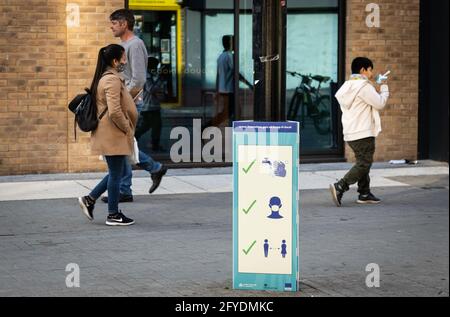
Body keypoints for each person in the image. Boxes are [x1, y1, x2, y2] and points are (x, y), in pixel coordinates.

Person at [104, 8, 167, 204]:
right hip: (124, 101)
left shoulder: (135, 45)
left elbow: (138, 79)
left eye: (114, 23)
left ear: (124, 23)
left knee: (121, 145)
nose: (111, 27)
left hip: (131, 103)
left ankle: (151, 171)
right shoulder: (124, 45)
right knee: (122, 146)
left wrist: (124, 100)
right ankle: (127, 187)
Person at [78, 44, 137, 226]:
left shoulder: (105, 78)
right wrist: (127, 128)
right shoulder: (111, 80)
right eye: (124, 58)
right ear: (115, 61)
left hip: (110, 133)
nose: (125, 62)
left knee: (115, 173)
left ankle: (90, 199)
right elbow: (114, 111)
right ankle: (113, 214)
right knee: (116, 174)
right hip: (113, 133)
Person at [330, 57, 389, 207]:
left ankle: (364, 193)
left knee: (362, 162)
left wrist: (374, 84)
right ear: (363, 69)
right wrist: (383, 86)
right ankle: (341, 186)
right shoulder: (364, 87)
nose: (372, 73)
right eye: (370, 70)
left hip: (351, 132)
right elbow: (380, 103)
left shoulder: (347, 86)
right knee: (364, 163)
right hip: (363, 132)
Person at [212, 35, 252, 127]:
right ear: (230, 43)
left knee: (231, 112)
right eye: (234, 42)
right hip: (229, 90)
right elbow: (236, 73)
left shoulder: (221, 56)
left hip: (224, 89)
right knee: (232, 112)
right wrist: (249, 84)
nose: (236, 44)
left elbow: (218, 75)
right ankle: (206, 127)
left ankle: (233, 130)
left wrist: (217, 90)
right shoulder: (229, 56)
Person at [134, 57, 164, 152]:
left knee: (147, 126)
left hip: (149, 106)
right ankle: (154, 145)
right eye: (155, 66)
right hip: (149, 107)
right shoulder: (146, 76)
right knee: (156, 126)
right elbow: (151, 89)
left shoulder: (147, 75)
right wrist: (160, 79)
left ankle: (133, 139)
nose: (156, 68)